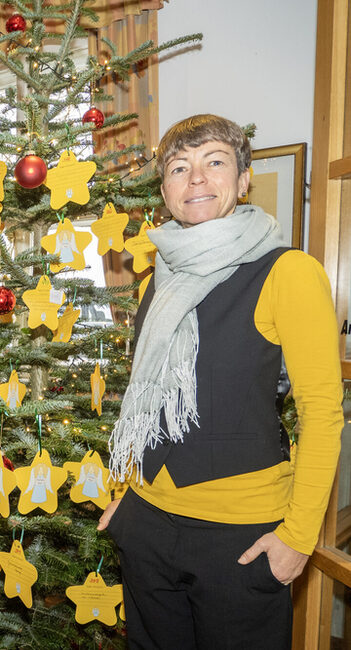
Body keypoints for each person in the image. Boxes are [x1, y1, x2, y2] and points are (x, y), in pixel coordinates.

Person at [99, 114, 342, 649]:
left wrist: (298, 539)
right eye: (179, 168)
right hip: (147, 525)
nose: (197, 180)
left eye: (214, 162)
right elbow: (145, 401)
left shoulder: (289, 272)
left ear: (243, 178)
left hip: (242, 537)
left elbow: (322, 413)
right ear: (165, 190)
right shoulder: (159, 281)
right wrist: (127, 502)